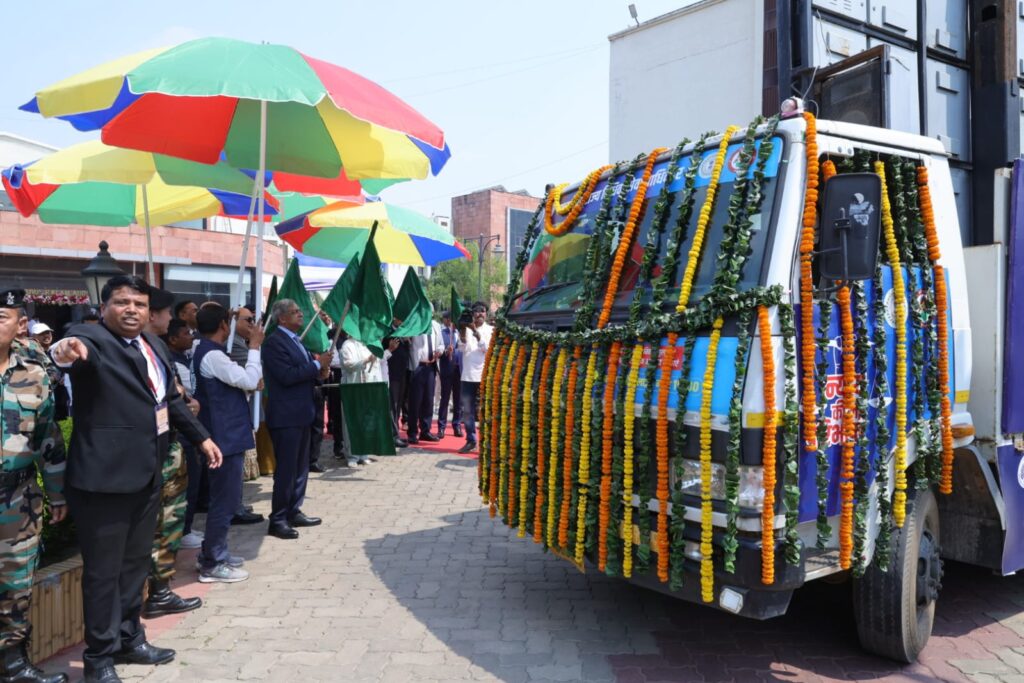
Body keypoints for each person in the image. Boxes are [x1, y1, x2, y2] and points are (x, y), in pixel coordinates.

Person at [49, 275, 223, 683]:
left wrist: (203, 439)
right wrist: (64, 350)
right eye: (123, 302)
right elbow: (69, 347)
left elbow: (170, 402)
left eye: (140, 304)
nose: (132, 310)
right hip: (103, 483)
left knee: (133, 567)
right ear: (105, 306)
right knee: (103, 573)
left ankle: (131, 638)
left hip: (147, 475)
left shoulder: (153, 345)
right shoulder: (91, 339)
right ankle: (98, 659)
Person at [0, 288, 69, 683]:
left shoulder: (34, 375)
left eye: (0, 316)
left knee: (16, 585)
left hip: (17, 498)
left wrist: (57, 492)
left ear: (19, 324)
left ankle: (13, 666)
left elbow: (48, 438)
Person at [141, 288, 202, 619]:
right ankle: (150, 592)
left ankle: (162, 591)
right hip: (147, 453)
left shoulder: (158, 349)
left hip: (172, 446)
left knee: (171, 523)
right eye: (166, 314)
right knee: (151, 527)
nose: (171, 319)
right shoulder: (133, 348)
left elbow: (173, 395)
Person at [193, 304, 264, 583]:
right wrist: (255, 347)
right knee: (224, 501)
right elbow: (248, 378)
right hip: (224, 436)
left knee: (224, 499)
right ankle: (213, 561)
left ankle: (213, 551)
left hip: (224, 433)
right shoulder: (212, 355)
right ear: (225, 326)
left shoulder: (206, 351)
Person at [261, 299, 330, 540]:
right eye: (295, 312)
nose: (301, 315)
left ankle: (294, 510)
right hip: (286, 416)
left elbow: (306, 374)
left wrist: (321, 371)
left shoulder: (296, 341)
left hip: (303, 412)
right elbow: (287, 376)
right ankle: (278, 518)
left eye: (300, 311)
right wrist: (315, 365)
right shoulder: (273, 343)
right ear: (281, 318)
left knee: (301, 467)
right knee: (287, 470)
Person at [165, 319, 206, 551]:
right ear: (172, 339)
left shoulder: (185, 358)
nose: (191, 336)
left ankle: (188, 526)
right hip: (180, 431)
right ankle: (184, 530)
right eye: (185, 333)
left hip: (190, 426)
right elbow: (182, 392)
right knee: (186, 482)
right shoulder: (172, 361)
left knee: (194, 479)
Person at [224, 306, 265, 525]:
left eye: (253, 319)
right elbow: (252, 378)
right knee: (233, 466)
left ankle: (235, 503)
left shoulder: (241, 343)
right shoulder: (233, 346)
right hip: (235, 412)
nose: (252, 324)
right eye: (248, 320)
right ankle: (233, 507)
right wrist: (256, 347)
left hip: (242, 407)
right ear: (232, 322)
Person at [457, 302, 493, 454]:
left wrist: (476, 333)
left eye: (482, 311)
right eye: (477, 311)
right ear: (472, 314)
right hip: (468, 376)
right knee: (467, 411)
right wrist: (464, 333)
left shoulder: (491, 330)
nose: (480, 314)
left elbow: (487, 349)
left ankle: (488, 442)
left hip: (485, 376)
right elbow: (462, 348)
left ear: (486, 314)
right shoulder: (464, 330)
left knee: (487, 410)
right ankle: (471, 440)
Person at [406, 318, 443, 445]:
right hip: (418, 366)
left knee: (428, 400)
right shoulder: (415, 322)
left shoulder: (436, 325)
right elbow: (408, 340)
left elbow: (441, 344)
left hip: (431, 366)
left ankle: (425, 430)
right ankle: (412, 432)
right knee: (415, 402)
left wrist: (440, 350)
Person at [437, 311, 463, 438]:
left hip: (459, 369)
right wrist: (447, 350)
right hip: (447, 368)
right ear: (445, 320)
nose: (452, 322)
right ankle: (441, 427)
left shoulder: (460, 333)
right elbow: (439, 350)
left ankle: (457, 425)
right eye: (450, 319)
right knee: (445, 398)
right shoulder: (442, 333)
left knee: (458, 399)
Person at [385, 337, 410, 448]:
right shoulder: (389, 333)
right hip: (392, 373)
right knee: (393, 406)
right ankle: (392, 436)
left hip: (402, 372)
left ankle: (396, 434)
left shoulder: (404, 335)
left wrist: (408, 341)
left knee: (398, 405)